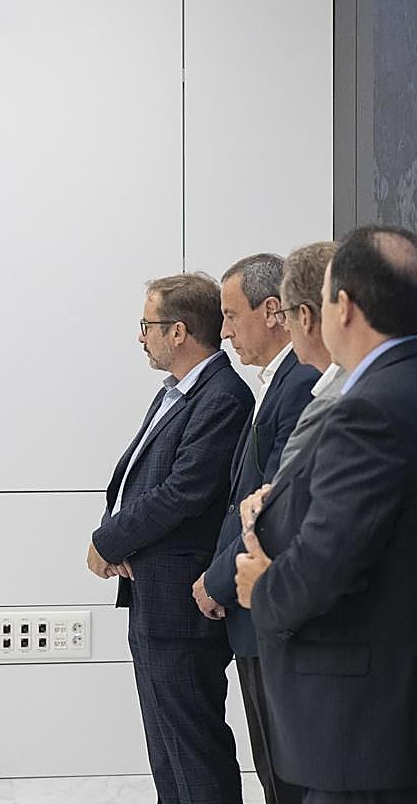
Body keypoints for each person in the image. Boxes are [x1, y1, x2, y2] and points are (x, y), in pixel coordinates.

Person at [234, 225, 417, 804]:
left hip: (373, 740)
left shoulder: (369, 412)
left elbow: (325, 564)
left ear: (343, 308)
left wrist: (262, 586)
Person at [89, 273, 252, 804]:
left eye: (147, 325)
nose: (141, 337)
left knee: (191, 748)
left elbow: (184, 492)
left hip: (183, 600)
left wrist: (111, 540)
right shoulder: (180, 392)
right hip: (155, 591)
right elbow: (145, 479)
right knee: (168, 752)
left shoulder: (222, 396)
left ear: (178, 331)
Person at [198, 254, 318, 804]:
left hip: (267, 605)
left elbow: (271, 505)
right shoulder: (278, 383)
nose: (223, 332)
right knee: (272, 767)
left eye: (230, 315)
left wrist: (217, 581)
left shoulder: (299, 384)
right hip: (253, 609)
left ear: (273, 311)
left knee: (287, 774)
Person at [273, 241, 345, 475]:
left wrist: (266, 504)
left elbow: (291, 502)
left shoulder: (335, 402)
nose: (284, 327)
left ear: (304, 316)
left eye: (283, 315)